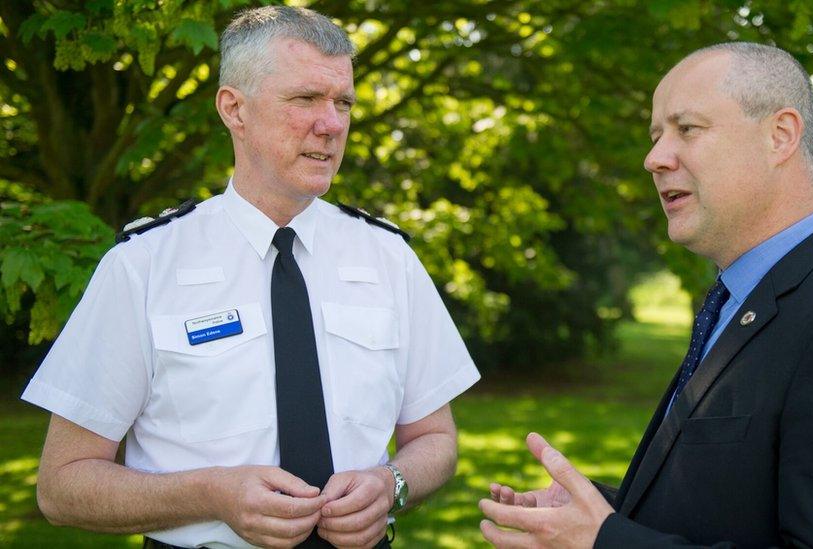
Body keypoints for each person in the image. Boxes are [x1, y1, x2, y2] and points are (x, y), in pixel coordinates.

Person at [22, 6, 480, 548]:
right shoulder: (144, 265)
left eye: (343, 103)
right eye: (306, 99)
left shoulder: (389, 258)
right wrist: (211, 496)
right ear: (234, 109)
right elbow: (62, 485)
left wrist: (393, 483)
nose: (332, 124)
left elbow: (434, 437)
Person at [479, 42, 813, 548]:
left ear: (780, 137)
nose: (654, 159)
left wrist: (606, 543)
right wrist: (598, 514)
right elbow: (732, 506)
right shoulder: (741, 303)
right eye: (656, 135)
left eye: (687, 129)